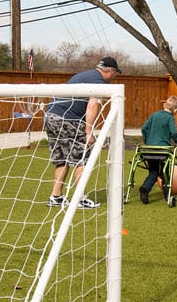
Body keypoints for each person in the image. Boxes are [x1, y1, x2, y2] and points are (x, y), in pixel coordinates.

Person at [43, 56, 121, 209]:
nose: (115, 77)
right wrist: (89, 132)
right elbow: (92, 105)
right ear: (111, 71)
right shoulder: (99, 82)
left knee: (63, 159)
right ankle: (80, 198)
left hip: (50, 116)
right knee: (82, 158)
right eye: (116, 73)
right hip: (68, 119)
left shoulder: (84, 75)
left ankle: (56, 197)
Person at [138, 95, 177, 204]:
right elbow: (173, 132)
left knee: (154, 171)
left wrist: (147, 140)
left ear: (164, 105)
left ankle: (147, 190)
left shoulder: (154, 115)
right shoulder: (170, 118)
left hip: (150, 150)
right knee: (164, 172)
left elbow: (144, 128)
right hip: (163, 151)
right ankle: (164, 194)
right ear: (175, 110)